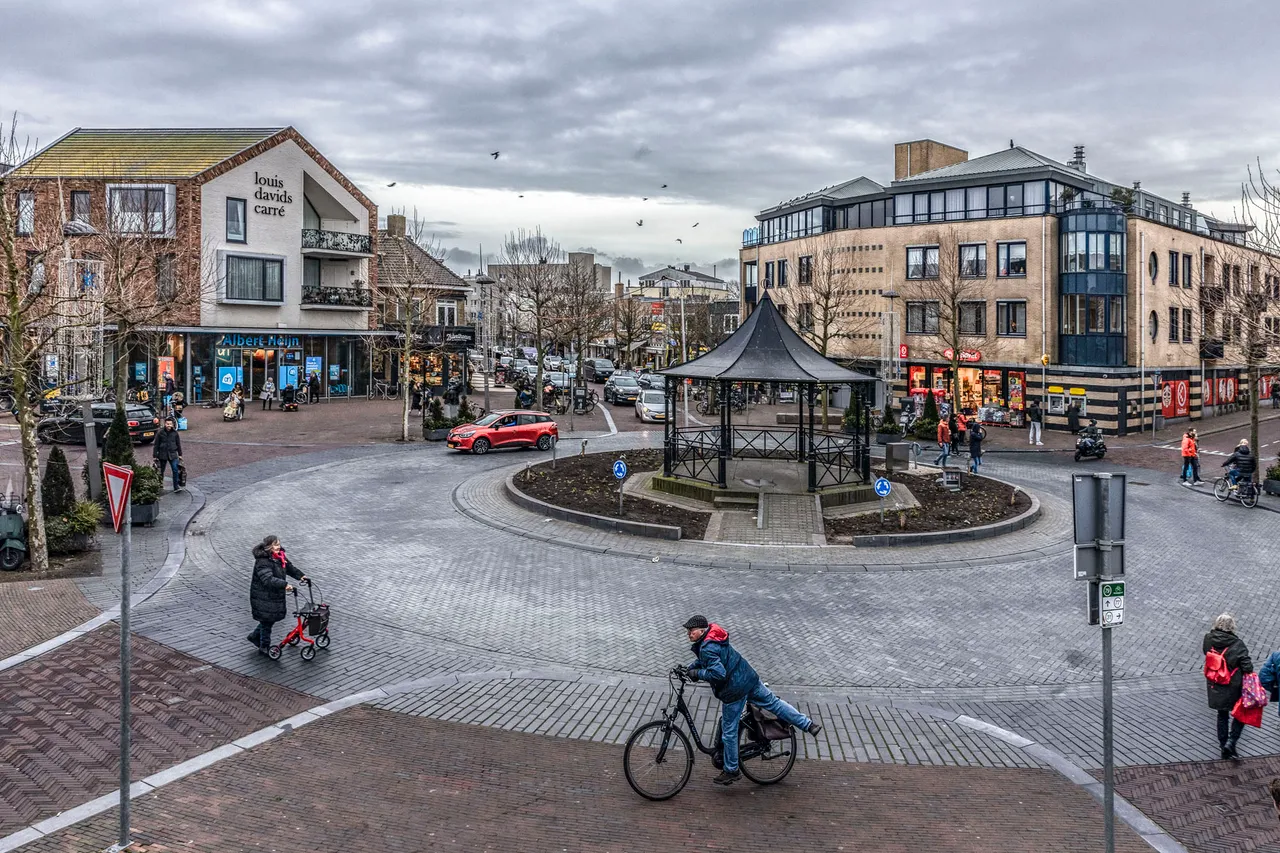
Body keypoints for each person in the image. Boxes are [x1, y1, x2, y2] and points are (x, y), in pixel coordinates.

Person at [681, 616, 820, 786]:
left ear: (702, 630)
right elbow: (709, 659)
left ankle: (732, 769)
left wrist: (698, 674)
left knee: (729, 731)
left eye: (691, 630)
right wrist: (691, 668)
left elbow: (718, 673)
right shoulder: (714, 636)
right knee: (774, 704)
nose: (688, 633)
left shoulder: (707, 647)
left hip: (735, 690)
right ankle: (807, 724)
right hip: (748, 677)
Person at [248, 536, 307, 656]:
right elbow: (267, 579)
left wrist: (301, 576)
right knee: (267, 621)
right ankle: (264, 647)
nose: (278, 547)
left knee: (268, 621)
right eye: (275, 545)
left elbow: (289, 568)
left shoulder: (280, 557)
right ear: (269, 547)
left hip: (273, 595)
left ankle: (254, 636)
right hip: (263, 596)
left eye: (279, 544)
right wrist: (284, 585)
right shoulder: (263, 561)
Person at [1203, 613, 1252, 759]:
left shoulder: (1208, 639)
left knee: (1222, 715)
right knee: (1240, 714)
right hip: (1233, 685)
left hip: (1215, 682)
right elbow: (1247, 667)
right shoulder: (1237, 644)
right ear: (1232, 626)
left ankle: (1223, 745)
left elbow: (1206, 653)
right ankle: (1232, 741)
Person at [152, 416, 183, 492]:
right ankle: (160, 485)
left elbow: (178, 444)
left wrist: (180, 454)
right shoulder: (160, 433)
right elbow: (156, 444)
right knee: (161, 471)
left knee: (175, 470)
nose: (169, 425)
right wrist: (155, 455)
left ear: (172, 425)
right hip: (163, 454)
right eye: (167, 424)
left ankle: (176, 486)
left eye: (170, 424)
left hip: (173, 454)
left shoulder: (175, 433)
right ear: (165, 424)